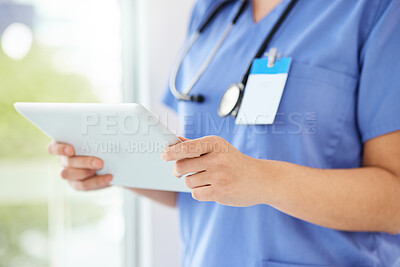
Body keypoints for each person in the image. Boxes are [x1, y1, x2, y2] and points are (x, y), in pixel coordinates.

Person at [48, 0, 400, 266]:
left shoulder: (376, 11)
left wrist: (262, 179)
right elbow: (204, 181)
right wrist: (114, 164)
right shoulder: (212, 12)